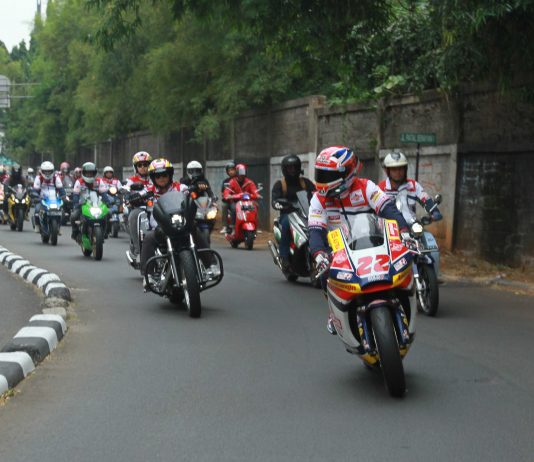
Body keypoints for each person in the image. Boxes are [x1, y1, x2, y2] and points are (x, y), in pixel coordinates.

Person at [307, 146, 410, 334]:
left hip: (374, 243)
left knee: (406, 259)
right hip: (339, 251)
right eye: (320, 174)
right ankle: (333, 312)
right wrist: (319, 254)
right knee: (324, 274)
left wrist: (404, 230)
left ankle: (404, 298)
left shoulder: (367, 187)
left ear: (347, 172)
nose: (322, 181)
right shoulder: (317, 199)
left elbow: (388, 209)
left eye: (328, 175)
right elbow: (315, 230)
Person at [139, 158, 187, 282]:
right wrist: (135, 197)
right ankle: (148, 275)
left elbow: (189, 192)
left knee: (196, 230)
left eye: (164, 175)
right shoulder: (148, 191)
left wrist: (197, 188)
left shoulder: (180, 187)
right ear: (153, 178)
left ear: (170, 175)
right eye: (158, 176)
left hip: (181, 225)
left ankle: (210, 265)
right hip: (160, 229)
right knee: (148, 238)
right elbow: (138, 195)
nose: (161, 178)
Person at [271, 155, 315, 272]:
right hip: (287, 214)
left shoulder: (305, 183)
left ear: (299, 168)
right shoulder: (280, 184)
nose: (293, 170)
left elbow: (316, 193)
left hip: (305, 213)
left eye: (295, 167)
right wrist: (281, 203)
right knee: (286, 224)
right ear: (285, 169)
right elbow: (274, 201)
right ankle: (284, 257)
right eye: (290, 168)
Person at [378, 151, 443, 222]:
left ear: (405, 169)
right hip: (388, 227)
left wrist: (434, 211)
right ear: (387, 171)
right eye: (394, 169)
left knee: (427, 230)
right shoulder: (380, 188)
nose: (398, 172)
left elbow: (425, 199)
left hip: (412, 226)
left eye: (401, 168)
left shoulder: (413, 186)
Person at [122, 151, 153, 268]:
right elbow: (125, 188)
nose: (143, 167)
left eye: (146, 164)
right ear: (135, 167)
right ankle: (138, 250)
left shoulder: (156, 177)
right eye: (140, 165)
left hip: (157, 208)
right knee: (134, 216)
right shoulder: (132, 180)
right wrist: (127, 193)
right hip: (140, 208)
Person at [70, 162, 109, 240]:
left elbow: (103, 193)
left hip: (96, 204)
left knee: (108, 213)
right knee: (73, 216)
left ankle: (105, 232)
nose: (89, 175)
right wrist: (75, 204)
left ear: (94, 173)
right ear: (83, 173)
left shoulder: (99, 181)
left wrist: (107, 202)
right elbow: (76, 195)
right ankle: (75, 232)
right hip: (82, 204)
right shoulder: (79, 182)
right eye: (87, 173)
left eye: (91, 173)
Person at [223, 163, 260, 234]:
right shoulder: (232, 182)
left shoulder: (249, 182)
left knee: (255, 206)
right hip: (236, 202)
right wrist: (228, 195)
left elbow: (255, 192)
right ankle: (233, 226)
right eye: (240, 172)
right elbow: (226, 192)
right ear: (237, 172)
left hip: (248, 201)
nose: (241, 175)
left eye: (243, 172)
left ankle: (255, 225)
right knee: (234, 209)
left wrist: (256, 195)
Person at [32, 161, 65, 233]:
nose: (47, 173)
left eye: (49, 171)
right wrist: (36, 196)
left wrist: (63, 196)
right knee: (37, 210)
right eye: (45, 172)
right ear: (42, 171)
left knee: (62, 211)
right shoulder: (38, 178)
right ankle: (37, 225)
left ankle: (59, 227)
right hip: (42, 199)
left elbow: (61, 189)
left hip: (55, 199)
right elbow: (35, 190)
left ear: (52, 171)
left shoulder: (56, 178)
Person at [219, 162, 236, 233]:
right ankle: (225, 226)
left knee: (234, 208)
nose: (231, 172)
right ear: (227, 172)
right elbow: (222, 192)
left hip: (237, 200)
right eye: (229, 170)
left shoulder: (239, 179)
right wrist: (226, 196)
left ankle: (234, 226)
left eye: (232, 170)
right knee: (224, 206)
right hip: (228, 201)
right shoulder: (225, 181)